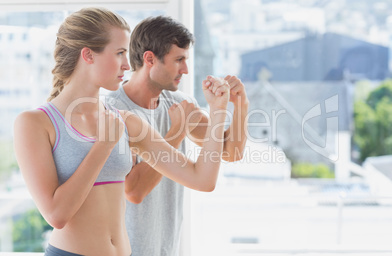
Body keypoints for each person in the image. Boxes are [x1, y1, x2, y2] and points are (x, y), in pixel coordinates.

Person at [13, 7, 230, 256]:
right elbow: (56, 214)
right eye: (119, 53)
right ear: (88, 55)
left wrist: (218, 111)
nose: (127, 64)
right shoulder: (35, 123)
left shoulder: (125, 121)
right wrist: (104, 145)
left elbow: (202, 179)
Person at [106, 15, 249, 256]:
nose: (186, 69)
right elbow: (134, 191)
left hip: (168, 249)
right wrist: (177, 132)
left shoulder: (181, 104)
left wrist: (239, 104)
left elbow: (230, 152)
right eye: (179, 60)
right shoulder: (113, 112)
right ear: (149, 59)